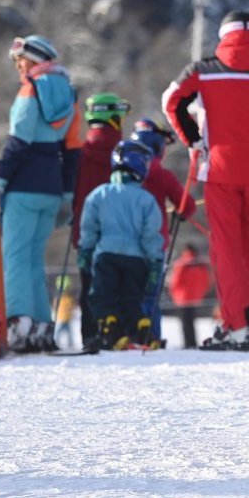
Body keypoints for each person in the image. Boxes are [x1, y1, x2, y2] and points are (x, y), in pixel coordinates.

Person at [163, 10, 249, 349]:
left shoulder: (204, 70)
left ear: (223, 36)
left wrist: (194, 140)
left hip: (220, 170)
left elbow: (172, 102)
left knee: (226, 250)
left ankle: (237, 325)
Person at [0, 34, 83, 352]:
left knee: (16, 257)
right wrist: (65, 192)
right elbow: (72, 150)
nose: (19, 67)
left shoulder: (30, 89)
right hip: (51, 186)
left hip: (23, 185)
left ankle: (20, 323)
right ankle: (42, 327)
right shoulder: (69, 94)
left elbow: (18, 141)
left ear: (34, 59)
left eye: (21, 61)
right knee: (34, 257)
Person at [78, 140, 164, 350]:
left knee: (102, 298)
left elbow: (89, 227)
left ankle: (111, 331)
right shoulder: (146, 199)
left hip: (106, 255)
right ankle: (143, 329)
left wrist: (85, 252)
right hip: (136, 259)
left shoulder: (100, 194)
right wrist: (155, 261)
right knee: (131, 299)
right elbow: (151, 234)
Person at [70, 93, 132, 345]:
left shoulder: (80, 153)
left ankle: (90, 334)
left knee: (90, 290)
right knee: (122, 289)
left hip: (86, 233)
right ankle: (119, 335)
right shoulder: (126, 153)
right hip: (123, 236)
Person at [129, 118, 196, 339]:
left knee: (128, 294)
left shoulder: (124, 172)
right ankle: (151, 337)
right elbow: (186, 205)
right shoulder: (161, 174)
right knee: (151, 296)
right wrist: (180, 213)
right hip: (155, 244)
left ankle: (128, 336)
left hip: (124, 244)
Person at [167, 244, 212, 349]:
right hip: (196, 298)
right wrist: (202, 293)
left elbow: (175, 281)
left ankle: (188, 343)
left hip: (182, 299)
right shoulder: (201, 264)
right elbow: (207, 282)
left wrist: (173, 293)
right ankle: (192, 342)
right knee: (192, 321)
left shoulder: (182, 263)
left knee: (185, 323)